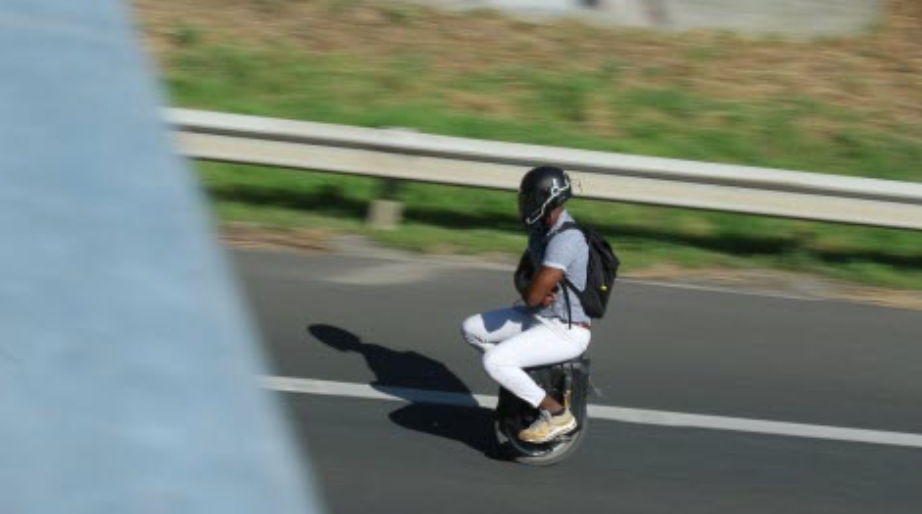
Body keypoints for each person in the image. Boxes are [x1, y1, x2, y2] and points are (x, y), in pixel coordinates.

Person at [460, 165, 591, 443]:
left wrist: (535, 290)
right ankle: (522, 382)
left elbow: (531, 293)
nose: (523, 203)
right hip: (538, 317)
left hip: (565, 330)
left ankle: (556, 414)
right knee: (471, 328)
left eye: (528, 197)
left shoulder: (567, 239)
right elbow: (522, 280)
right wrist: (534, 288)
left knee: (494, 361)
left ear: (547, 198)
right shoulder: (540, 231)